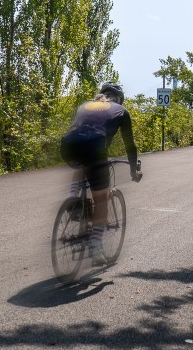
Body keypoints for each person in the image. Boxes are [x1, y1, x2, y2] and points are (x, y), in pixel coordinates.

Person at [60, 82, 142, 265]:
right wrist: (133, 170)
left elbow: (82, 129)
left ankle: (74, 201)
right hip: (95, 148)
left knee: (82, 164)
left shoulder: (86, 104)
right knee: (101, 198)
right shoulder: (121, 110)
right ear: (119, 99)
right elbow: (130, 145)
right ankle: (96, 247)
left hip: (67, 146)